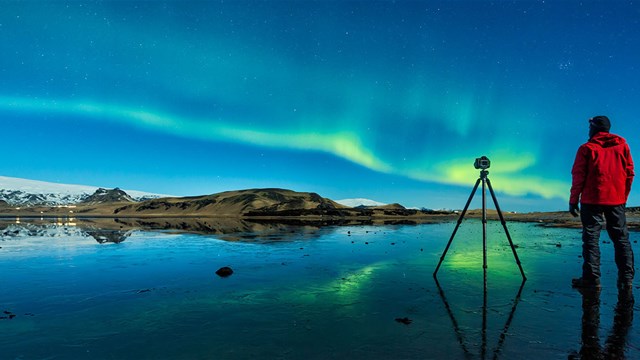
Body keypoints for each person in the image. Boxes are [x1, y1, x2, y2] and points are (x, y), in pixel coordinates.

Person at [569, 115, 635, 290]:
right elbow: (630, 173)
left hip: (592, 200)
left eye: (590, 127)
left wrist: (573, 200)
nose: (588, 130)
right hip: (616, 200)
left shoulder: (586, 148)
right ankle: (626, 280)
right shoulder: (622, 146)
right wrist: (623, 196)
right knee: (621, 239)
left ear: (595, 128)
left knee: (591, 238)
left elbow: (578, 176)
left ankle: (592, 280)